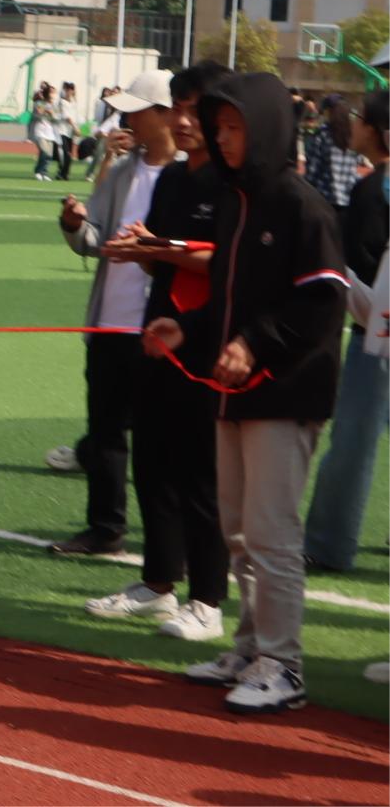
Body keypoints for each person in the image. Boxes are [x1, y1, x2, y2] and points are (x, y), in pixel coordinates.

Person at [144, 72, 347, 714]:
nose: (223, 138)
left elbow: (324, 300)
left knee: (270, 533)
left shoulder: (301, 206)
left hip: (286, 394)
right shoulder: (236, 203)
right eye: (220, 126)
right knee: (237, 530)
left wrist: (256, 344)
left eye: (235, 127)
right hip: (232, 391)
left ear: (265, 129)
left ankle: (283, 666)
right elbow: (229, 299)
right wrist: (189, 328)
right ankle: (252, 649)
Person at [86, 61, 232, 640]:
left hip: (206, 344)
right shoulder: (172, 180)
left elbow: (225, 262)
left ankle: (208, 602)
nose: (185, 121)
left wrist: (159, 249)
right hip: (157, 337)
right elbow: (162, 259)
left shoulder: (231, 185)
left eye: (196, 111)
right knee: (151, 463)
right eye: (181, 109)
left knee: (200, 476)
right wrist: (140, 250)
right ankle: (157, 583)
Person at [49, 69, 177, 556]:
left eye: (137, 112)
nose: (128, 121)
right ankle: (105, 529)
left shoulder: (190, 177)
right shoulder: (122, 170)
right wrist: (73, 223)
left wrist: (152, 249)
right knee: (104, 433)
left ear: (165, 114)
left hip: (162, 328)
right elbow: (94, 239)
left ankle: (168, 542)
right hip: (108, 323)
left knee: (157, 442)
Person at [303, 89, 388, 572]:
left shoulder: (373, 190)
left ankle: (328, 543)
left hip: (376, 333)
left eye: (359, 116)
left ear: (376, 130)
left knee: (352, 441)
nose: (351, 122)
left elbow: (363, 270)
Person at [303, 94, 363, 231]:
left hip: (324, 201)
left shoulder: (323, 134)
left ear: (329, 111)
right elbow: (358, 163)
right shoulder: (353, 135)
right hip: (348, 201)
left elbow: (312, 171)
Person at [29, 83, 59, 180]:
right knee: (44, 151)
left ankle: (44, 173)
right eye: (51, 93)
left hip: (50, 133)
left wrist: (52, 114)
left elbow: (56, 119)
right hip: (40, 131)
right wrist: (43, 111)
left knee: (49, 155)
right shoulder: (39, 103)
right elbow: (36, 115)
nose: (53, 95)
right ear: (47, 94)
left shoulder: (53, 106)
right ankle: (38, 171)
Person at [56, 82, 80, 181]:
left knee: (70, 154)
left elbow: (76, 117)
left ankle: (64, 173)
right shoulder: (62, 102)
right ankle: (62, 173)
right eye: (67, 90)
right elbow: (67, 117)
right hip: (62, 130)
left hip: (71, 132)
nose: (69, 92)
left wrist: (77, 128)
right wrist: (75, 127)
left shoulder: (74, 103)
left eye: (71, 90)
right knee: (65, 153)